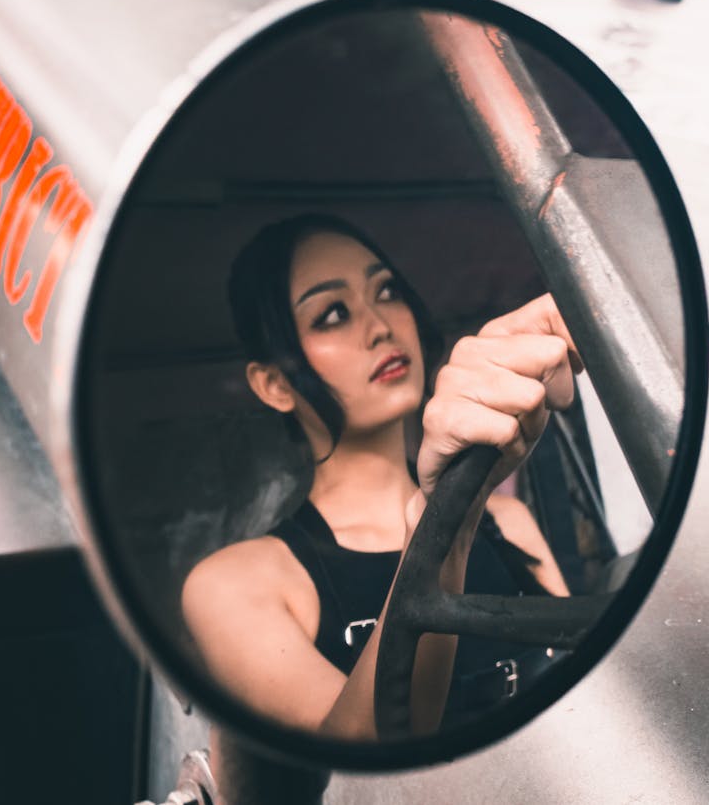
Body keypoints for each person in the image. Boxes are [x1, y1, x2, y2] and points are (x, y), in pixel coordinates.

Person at [181, 213, 577, 741]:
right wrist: (446, 522)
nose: (381, 327)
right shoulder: (234, 585)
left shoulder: (508, 520)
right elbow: (363, 767)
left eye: (386, 290)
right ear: (274, 384)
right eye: (333, 313)